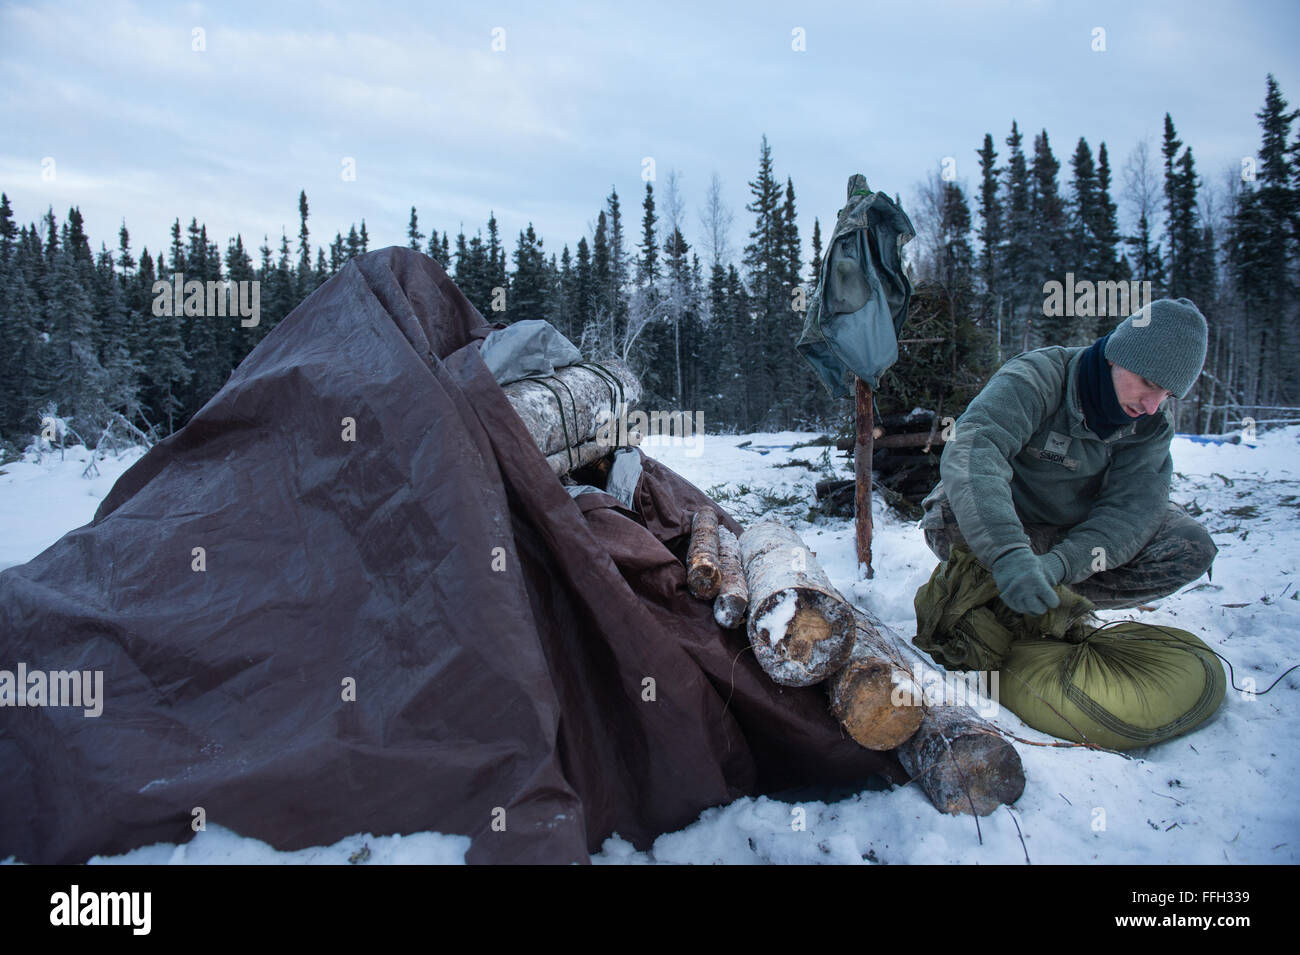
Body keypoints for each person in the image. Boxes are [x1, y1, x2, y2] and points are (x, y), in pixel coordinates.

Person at [919, 298, 1218, 614]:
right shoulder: (1038, 377)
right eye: (1150, 383)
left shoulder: (1152, 425)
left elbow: (1132, 511)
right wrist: (1007, 552)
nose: (1152, 405)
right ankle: (1012, 589)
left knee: (1191, 547)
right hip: (1014, 523)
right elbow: (974, 451)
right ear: (1117, 356)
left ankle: (1046, 603)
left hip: (1077, 535)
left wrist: (1061, 564)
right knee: (946, 520)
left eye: (1167, 395)